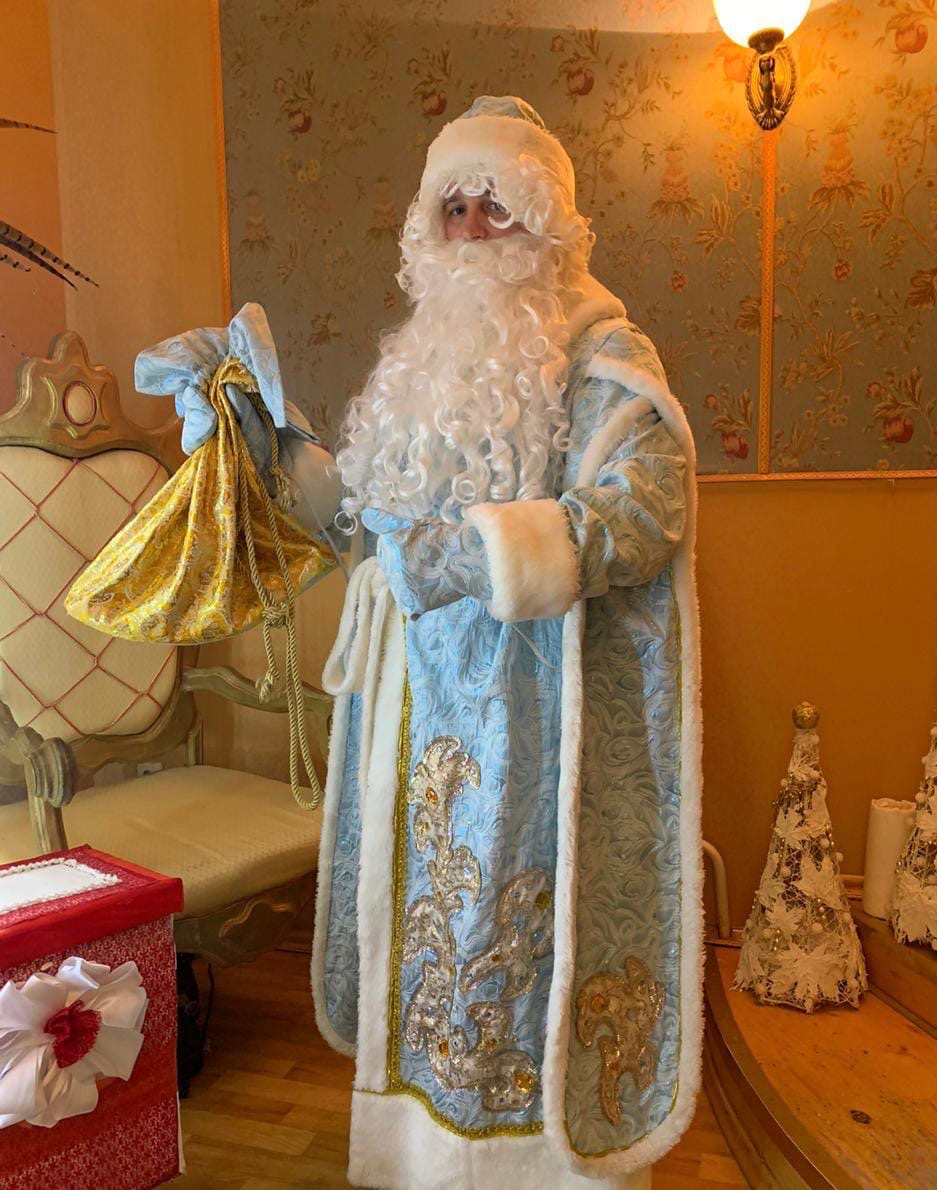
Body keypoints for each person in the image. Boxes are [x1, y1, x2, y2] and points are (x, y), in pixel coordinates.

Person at [180, 95, 702, 1190]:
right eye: (452, 208)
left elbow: (648, 508)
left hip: (534, 726)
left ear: (545, 222)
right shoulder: (422, 364)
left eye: (495, 207)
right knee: (424, 949)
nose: (472, 231)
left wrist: (470, 557)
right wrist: (262, 434)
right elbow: (369, 528)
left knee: (504, 963)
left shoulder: (604, 355)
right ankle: (424, 1167)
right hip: (413, 723)